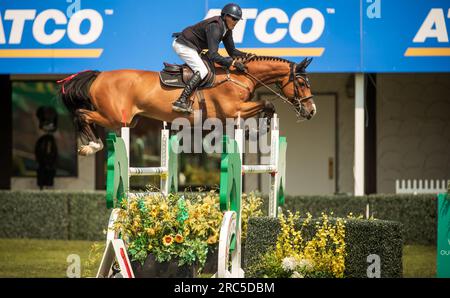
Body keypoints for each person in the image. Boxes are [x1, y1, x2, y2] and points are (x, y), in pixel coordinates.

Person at [171, 3, 250, 113]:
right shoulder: (215, 27)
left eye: (237, 20)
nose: (235, 22)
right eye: (233, 18)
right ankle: (181, 100)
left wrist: (247, 55)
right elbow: (213, 55)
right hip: (183, 45)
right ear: (225, 16)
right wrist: (232, 63)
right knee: (202, 70)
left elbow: (232, 51)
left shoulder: (227, 30)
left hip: (193, 47)